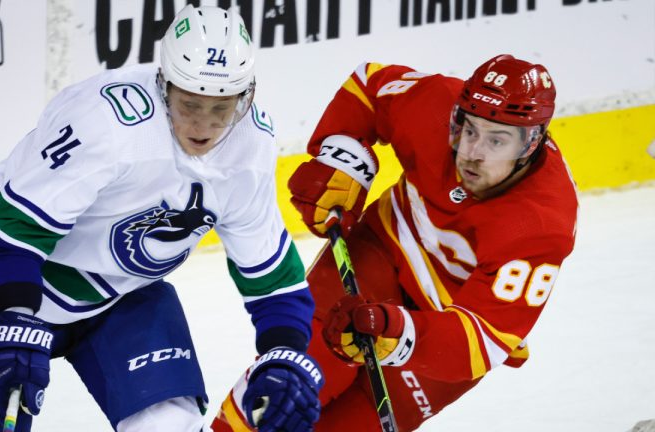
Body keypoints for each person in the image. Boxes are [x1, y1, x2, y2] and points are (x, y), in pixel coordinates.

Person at [0, 5, 323, 432]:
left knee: (170, 424)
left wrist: (286, 350)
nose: (205, 125)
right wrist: (16, 313)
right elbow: (14, 228)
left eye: (222, 108)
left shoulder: (250, 145)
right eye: (190, 104)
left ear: (246, 96)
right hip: (2, 284)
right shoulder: (107, 124)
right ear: (163, 84)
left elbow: (272, 275)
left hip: (122, 297)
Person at [212, 55, 578, 431]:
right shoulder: (433, 102)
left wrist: (403, 335)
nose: (473, 153)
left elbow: (483, 340)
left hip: (441, 331)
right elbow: (368, 85)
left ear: (531, 143)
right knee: (284, 391)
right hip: (380, 251)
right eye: (469, 130)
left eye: (497, 140)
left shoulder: (543, 224)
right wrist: (341, 158)